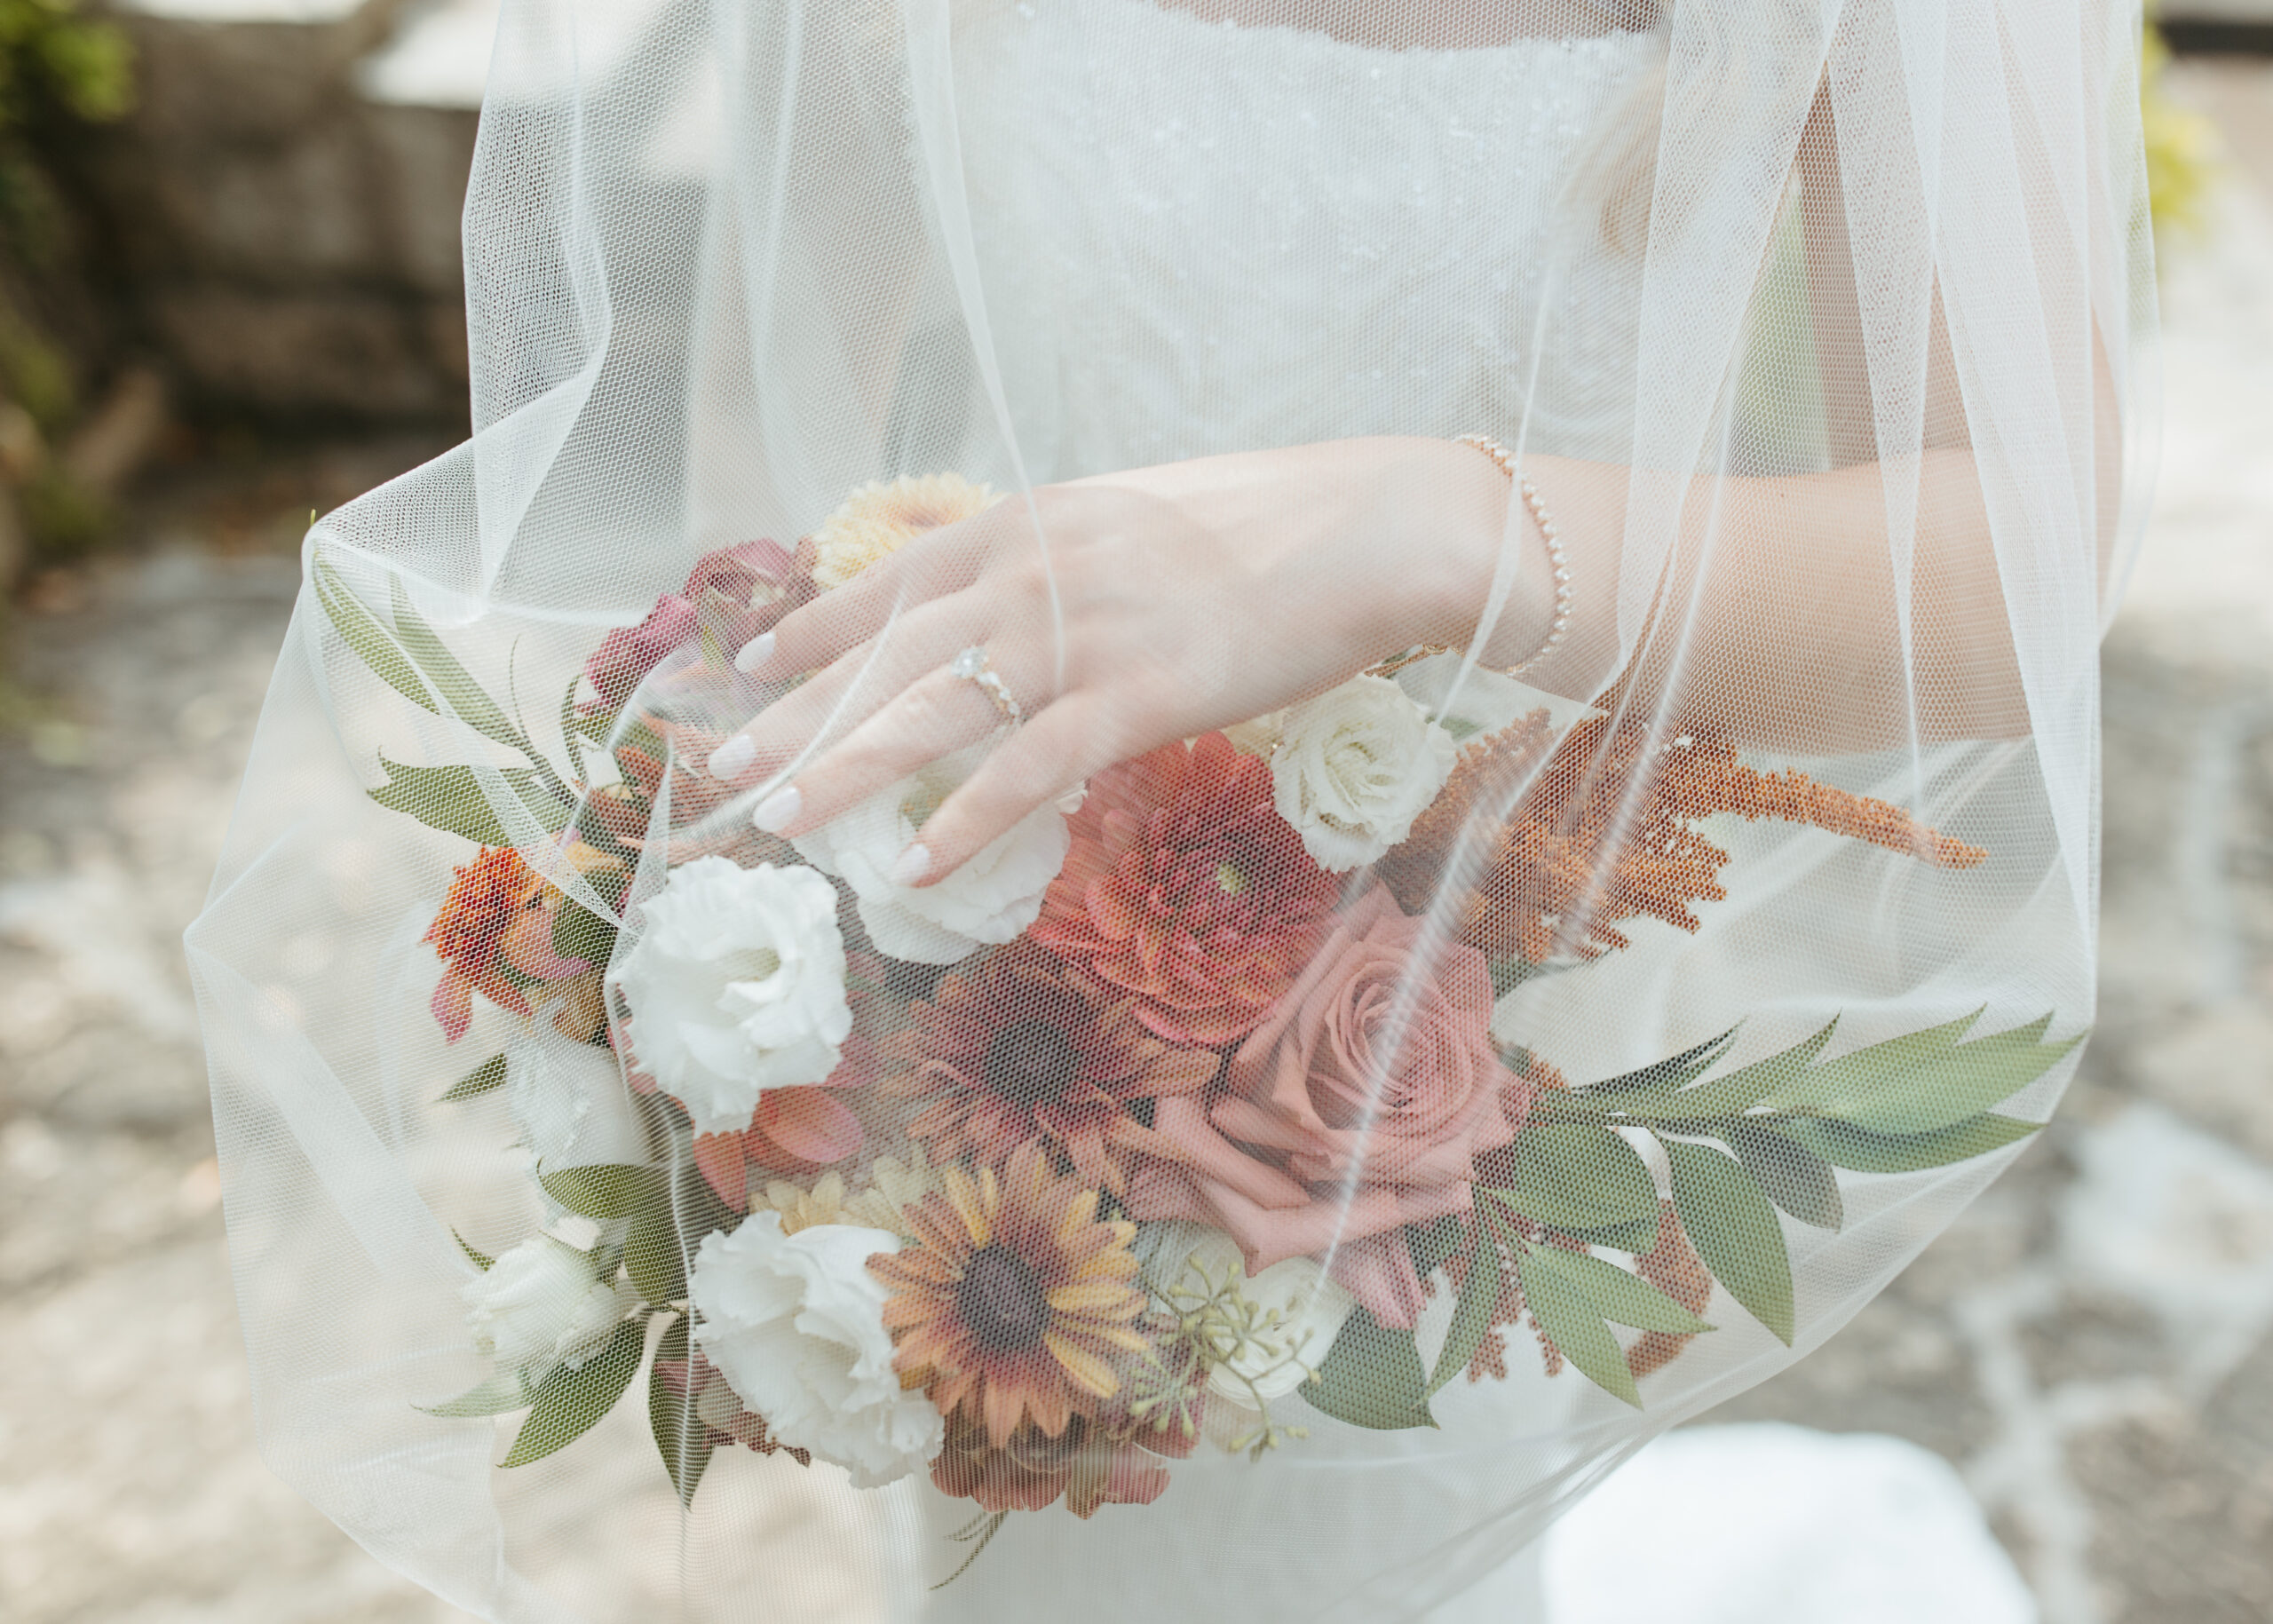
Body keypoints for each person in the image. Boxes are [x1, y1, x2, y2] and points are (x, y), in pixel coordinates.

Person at [186, 0, 2150, 1618]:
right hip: (983, 933)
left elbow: (2007, 573)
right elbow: (759, 401)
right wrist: (771, 939)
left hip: (1455, 985)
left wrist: (1430, 528)